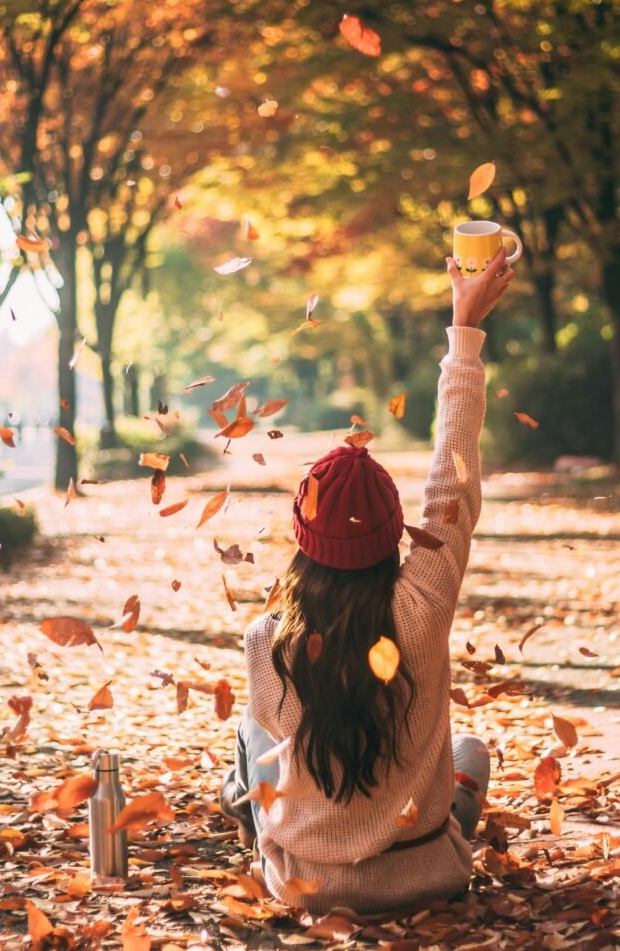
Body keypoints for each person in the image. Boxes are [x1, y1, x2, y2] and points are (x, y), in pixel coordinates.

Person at [220, 247, 516, 914]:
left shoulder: (268, 637)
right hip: (424, 874)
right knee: (468, 748)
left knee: (250, 734)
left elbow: (278, 734)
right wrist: (462, 332)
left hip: (305, 886)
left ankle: (236, 800)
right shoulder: (421, 605)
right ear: (395, 534)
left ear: (302, 542)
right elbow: (453, 478)